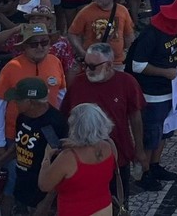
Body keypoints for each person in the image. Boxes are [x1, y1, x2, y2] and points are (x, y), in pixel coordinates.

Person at [129, 0, 177, 189]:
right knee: (151, 134)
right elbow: (137, 65)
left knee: (165, 131)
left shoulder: (173, 31)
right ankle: (144, 174)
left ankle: (155, 165)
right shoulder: (151, 35)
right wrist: (165, 72)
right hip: (153, 94)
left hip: (170, 91)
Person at [62, 43, 146, 200]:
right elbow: (66, 116)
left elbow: (135, 117)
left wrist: (139, 149)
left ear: (108, 65)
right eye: (84, 64)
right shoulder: (78, 84)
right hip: (83, 159)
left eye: (92, 66)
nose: (87, 70)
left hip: (117, 156)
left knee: (118, 201)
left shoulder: (127, 82)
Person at [0, 77, 66, 215]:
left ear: (30, 102)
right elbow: (20, 144)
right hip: (22, 187)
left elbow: (59, 166)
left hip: (41, 195)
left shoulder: (52, 125)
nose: (14, 102)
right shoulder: (24, 116)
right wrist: (0, 161)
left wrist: (46, 203)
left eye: (18, 99)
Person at [0, 23, 67, 155]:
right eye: (33, 44)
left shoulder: (56, 62)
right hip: (16, 131)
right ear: (24, 46)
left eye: (44, 42)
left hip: (50, 130)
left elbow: (62, 96)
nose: (39, 47)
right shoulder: (11, 67)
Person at [37, 103, 117, 216]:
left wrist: (46, 157)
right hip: (104, 208)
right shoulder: (109, 145)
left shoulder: (68, 157)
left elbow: (44, 185)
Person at [67, 0, 135, 67]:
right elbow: (72, 33)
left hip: (117, 62)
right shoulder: (86, 11)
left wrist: (129, 54)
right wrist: (82, 53)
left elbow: (129, 35)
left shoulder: (122, 11)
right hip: (93, 63)